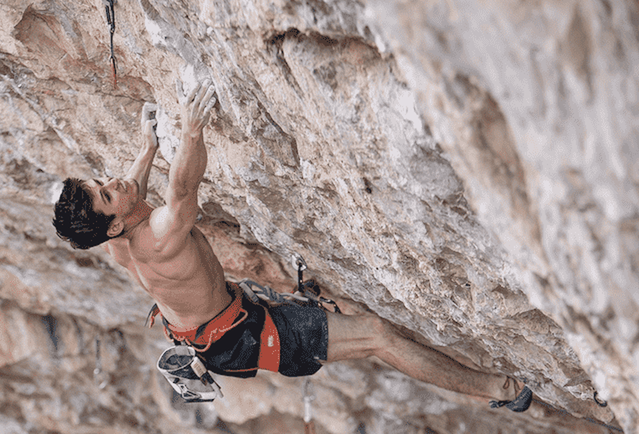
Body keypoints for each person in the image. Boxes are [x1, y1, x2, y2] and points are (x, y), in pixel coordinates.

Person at [52, 78, 532, 412]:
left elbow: (131, 195)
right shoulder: (157, 236)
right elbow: (181, 189)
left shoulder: (117, 238)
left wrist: (147, 147)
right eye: (107, 192)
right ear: (113, 224)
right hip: (247, 338)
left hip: (212, 325)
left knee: (359, 324)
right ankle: (504, 388)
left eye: (102, 180)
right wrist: (192, 129)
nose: (114, 180)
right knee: (378, 338)